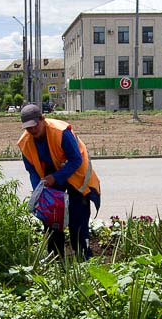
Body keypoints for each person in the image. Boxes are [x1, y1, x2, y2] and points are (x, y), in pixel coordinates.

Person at [18, 103, 101, 259]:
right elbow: (32, 170)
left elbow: (76, 159)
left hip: (76, 176)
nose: (32, 131)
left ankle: (84, 258)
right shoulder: (25, 143)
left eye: (34, 126)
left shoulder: (61, 132)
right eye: (28, 128)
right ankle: (55, 259)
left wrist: (55, 177)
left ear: (42, 119)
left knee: (77, 221)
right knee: (52, 220)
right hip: (51, 180)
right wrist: (40, 193)